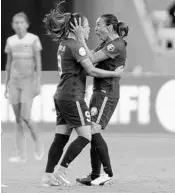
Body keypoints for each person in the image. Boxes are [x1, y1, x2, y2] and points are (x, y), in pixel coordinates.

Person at [41, 1, 124, 187]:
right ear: (77, 28)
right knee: (86, 135)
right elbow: (91, 70)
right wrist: (114, 74)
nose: (88, 30)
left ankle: (47, 177)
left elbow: (82, 69)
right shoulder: (76, 46)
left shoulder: (64, 44)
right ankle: (61, 170)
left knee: (60, 137)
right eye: (86, 27)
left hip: (61, 95)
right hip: (72, 97)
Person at [71, 14, 129, 185]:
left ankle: (108, 173)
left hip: (107, 92)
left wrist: (80, 36)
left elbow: (92, 60)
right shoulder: (107, 44)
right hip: (99, 91)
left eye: (98, 26)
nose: (95, 30)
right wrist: (82, 38)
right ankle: (95, 174)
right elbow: (89, 55)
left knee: (93, 130)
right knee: (91, 130)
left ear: (110, 27)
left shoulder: (116, 44)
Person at [4, 12, 44, 162]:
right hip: (14, 82)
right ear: (13, 25)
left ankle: (37, 142)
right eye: (16, 22)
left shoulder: (34, 40)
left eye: (21, 22)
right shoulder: (10, 41)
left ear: (27, 24)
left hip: (28, 82)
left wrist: (37, 82)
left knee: (25, 116)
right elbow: (8, 64)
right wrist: (6, 84)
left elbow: (38, 62)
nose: (18, 25)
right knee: (18, 119)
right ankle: (21, 154)